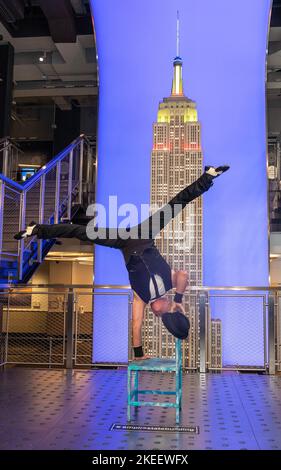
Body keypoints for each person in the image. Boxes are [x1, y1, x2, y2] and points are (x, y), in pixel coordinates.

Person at [14, 165, 229, 360]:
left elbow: (136, 325)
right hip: (144, 235)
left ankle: (36, 230)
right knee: (176, 205)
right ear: (169, 306)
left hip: (125, 242)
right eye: (162, 312)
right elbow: (183, 274)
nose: (155, 313)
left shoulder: (141, 298)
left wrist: (139, 354)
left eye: (158, 315)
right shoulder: (170, 282)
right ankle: (208, 176)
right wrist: (179, 298)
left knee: (83, 232)